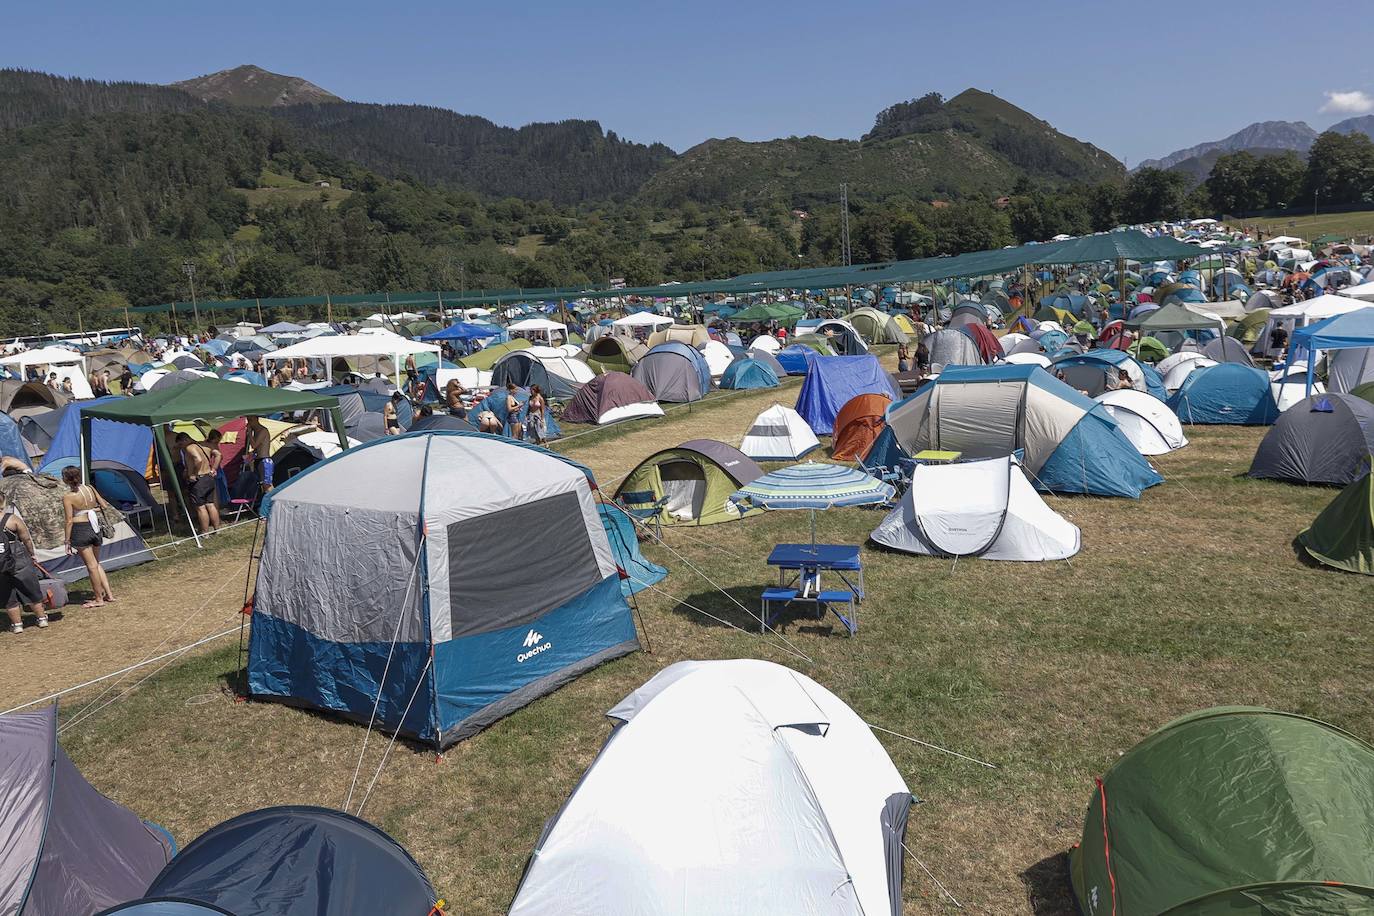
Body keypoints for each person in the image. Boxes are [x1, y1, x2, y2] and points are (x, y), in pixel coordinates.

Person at [61, 466, 114, 608]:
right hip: (94, 527)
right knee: (96, 564)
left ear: (65, 479)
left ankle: (98, 599)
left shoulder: (68, 497)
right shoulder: (90, 488)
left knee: (91, 567)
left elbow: (69, 520)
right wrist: (90, 510)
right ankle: (109, 594)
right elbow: (104, 505)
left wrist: (67, 541)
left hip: (80, 530)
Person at [1, 507, 48, 633]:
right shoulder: (11, 519)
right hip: (17, 556)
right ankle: (41, 618)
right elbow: (26, 538)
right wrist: (31, 554)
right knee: (30, 588)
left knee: (7, 594)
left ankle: (17, 625)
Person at [175, 432, 220, 534]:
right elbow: (218, 454)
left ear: (184, 440)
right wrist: (214, 468)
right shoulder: (203, 445)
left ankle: (205, 532)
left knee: (200, 507)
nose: (182, 448)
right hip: (209, 476)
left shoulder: (190, 447)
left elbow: (198, 460)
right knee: (210, 504)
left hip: (199, 479)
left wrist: (192, 474)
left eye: (181, 444)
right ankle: (218, 529)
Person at [245, 416, 273, 494]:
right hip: (258, 459)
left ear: (256, 419)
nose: (249, 423)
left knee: (267, 485)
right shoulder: (256, 431)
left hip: (265, 460)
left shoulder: (262, 430)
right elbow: (256, 449)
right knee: (261, 485)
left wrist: (249, 433)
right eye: (248, 420)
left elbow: (254, 445)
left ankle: (273, 501)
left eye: (250, 420)